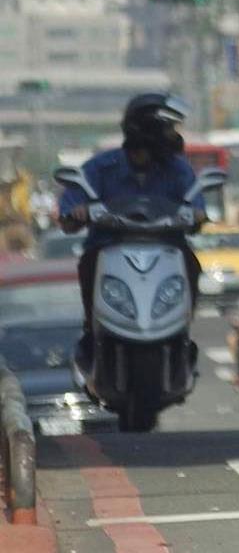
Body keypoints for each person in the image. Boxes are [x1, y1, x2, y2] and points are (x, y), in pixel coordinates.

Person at [57, 94, 205, 373]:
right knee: (89, 263)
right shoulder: (101, 167)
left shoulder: (178, 169)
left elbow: (196, 208)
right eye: (168, 129)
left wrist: (197, 214)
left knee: (192, 264)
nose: (173, 136)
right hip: (109, 248)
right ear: (146, 130)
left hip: (167, 248)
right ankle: (92, 332)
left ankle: (181, 332)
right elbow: (68, 212)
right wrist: (76, 212)